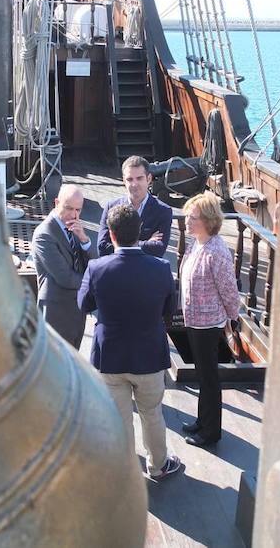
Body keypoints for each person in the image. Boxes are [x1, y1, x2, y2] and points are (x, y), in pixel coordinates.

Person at [78, 204, 181, 480]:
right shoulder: (160, 268)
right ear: (139, 232)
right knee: (152, 414)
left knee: (118, 417)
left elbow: (83, 303)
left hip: (110, 356)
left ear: (111, 235)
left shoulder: (97, 268)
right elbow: (170, 309)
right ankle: (158, 466)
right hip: (149, 355)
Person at [178, 191, 240, 447]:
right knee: (203, 375)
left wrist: (232, 318)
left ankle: (210, 432)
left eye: (192, 218)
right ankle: (202, 421)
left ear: (207, 220)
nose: (187, 222)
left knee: (209, 379)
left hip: (207, 324)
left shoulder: (217, 251)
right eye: (187, 217)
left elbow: (229, 289)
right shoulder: (197, 243)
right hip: (194, 321)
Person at [31, 184, 98, 349]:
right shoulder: (44, 235)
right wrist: (95, 282)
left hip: (77, 312)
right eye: (69, 208)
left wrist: (84, 240)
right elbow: (65, 278)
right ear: (56, 203)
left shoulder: (74, 229)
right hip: (56, 314)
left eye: (78, 210)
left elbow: (93, 265)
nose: (74, 215)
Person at [97, 156, 172, 258]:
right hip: (118, 271)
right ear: (124, 181)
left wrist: (121, 246)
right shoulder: (111, 207)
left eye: (139, 178)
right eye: (130, 179)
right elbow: (102, 247)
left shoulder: (163, 211)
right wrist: (145, 243)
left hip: (146, 272)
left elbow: (158, 249)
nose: (134, 184)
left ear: (149, 178)